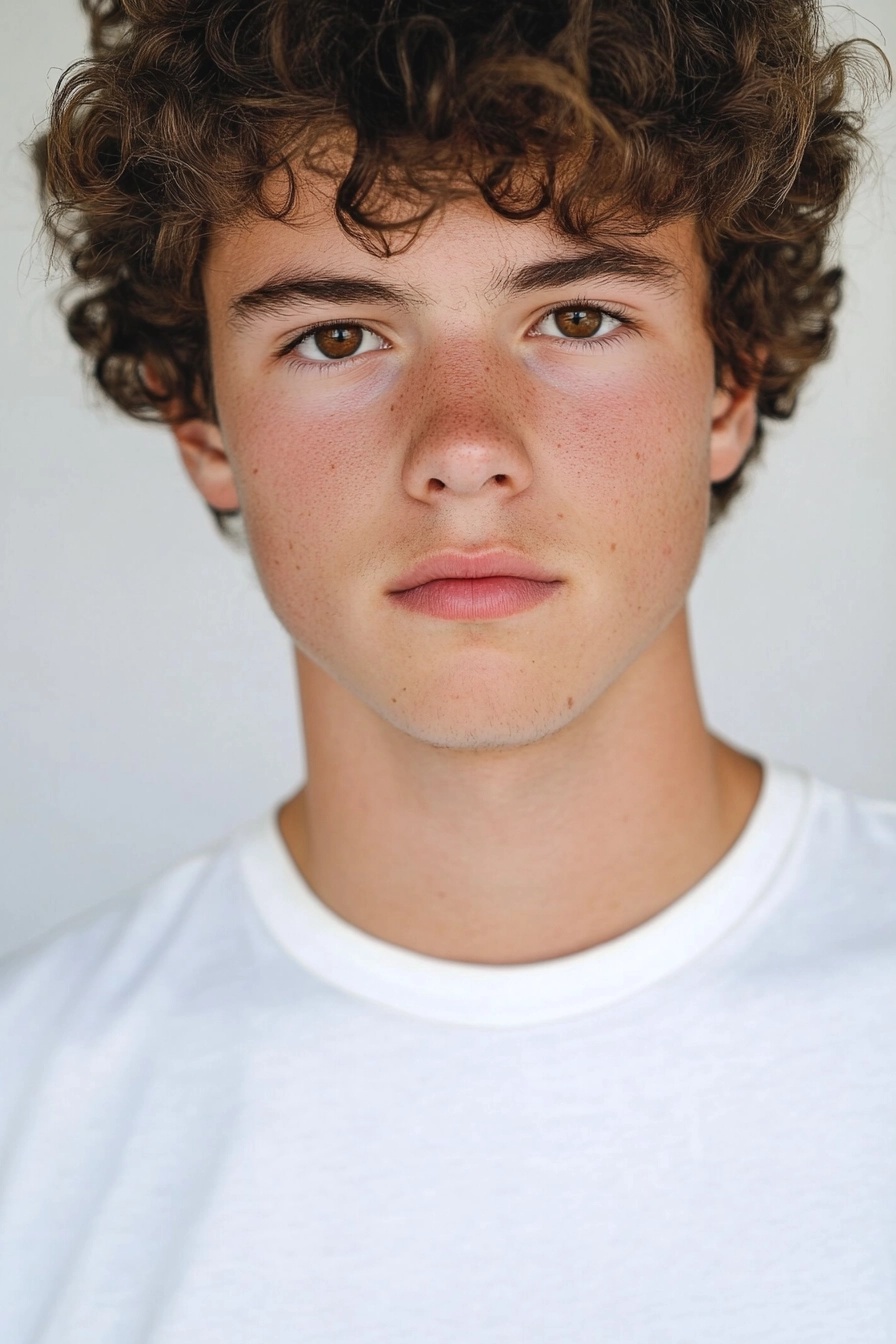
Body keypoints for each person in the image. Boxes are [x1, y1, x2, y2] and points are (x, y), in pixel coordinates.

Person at [1, 0, 894, 1338]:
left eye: (578, 317)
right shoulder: (29, 1112)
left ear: (730, 380)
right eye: (340, 336)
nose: (465, 446)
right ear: (199, 419)